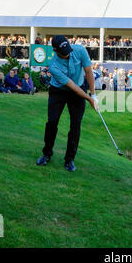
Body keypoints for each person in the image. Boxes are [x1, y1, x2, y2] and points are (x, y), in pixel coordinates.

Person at [37, 35, 98, 173]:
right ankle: (47, 154)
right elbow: (72, 87)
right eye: (63, 53)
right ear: (55, 50)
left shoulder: (80, 50)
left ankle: (69, 159)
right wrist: (89, 99)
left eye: (68, 50)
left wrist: (93, 94)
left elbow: (88, 72)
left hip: (79, 87)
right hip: (59, 91)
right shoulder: (53, 66)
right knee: (52, 122)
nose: (67, 54)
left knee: (76, 125)